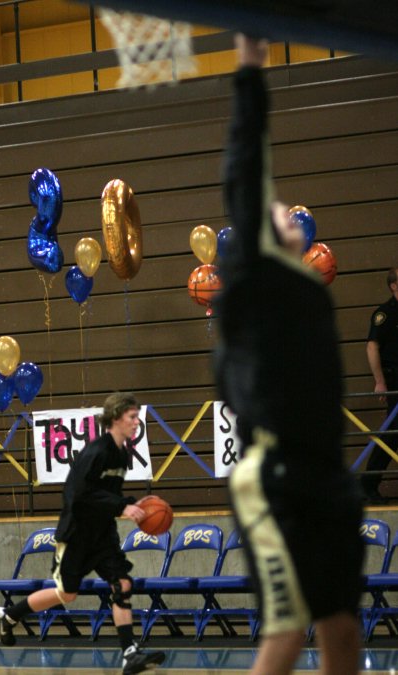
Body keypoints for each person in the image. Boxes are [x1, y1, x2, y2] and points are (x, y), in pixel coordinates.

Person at [214, 34, 364, 675]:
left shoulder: (302, 284)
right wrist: (251, 67)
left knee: (343, 629)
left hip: (325, 474)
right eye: (273, 206)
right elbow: (248, 164)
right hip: (274, 478)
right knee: (286, 632)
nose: (283, 206)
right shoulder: (254, 274)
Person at [0, 392, 165, 675]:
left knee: (122, 584)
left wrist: (132, 503)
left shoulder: (121, 453)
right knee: (67, 594)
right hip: (77, 535)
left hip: (103, 535)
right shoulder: (96, 451)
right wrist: (121, 506)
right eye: (132, 416)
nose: (136, 422)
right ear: (117, 417)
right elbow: (77, 495)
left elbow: (107, 493)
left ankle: (129, 652)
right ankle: (9, 616)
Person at [361, 267, 398, 503]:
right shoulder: (384, 314)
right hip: (395, 380)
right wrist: (380, 382)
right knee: (391, 434)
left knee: (392, 435)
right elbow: (372, 347)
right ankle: (367, 485)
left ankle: (367, 484)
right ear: (394, 286)